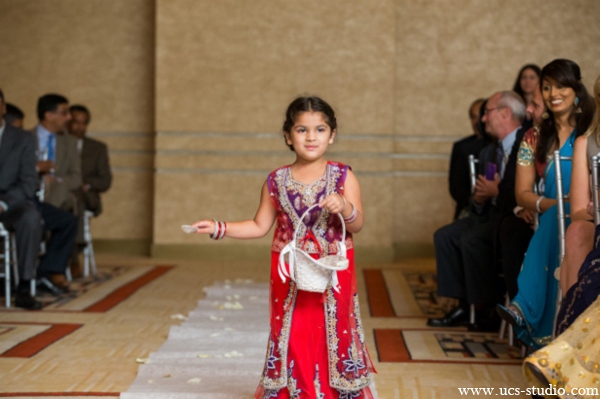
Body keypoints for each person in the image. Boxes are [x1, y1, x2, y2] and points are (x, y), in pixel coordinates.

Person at [191, 96, 376, 398]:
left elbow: (356, 225)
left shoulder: (344, 176)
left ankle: (334, 391)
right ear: (288, 137)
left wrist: (344, 206)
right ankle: (296, 391)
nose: (311, 137)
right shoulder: (276, 180)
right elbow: (259, 226)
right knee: (294, 331)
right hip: (289, 271)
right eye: (301, 130)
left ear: (332, 135)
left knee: (332, 327)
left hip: (332, 271)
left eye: (320, 129)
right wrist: (218, 227)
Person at [497, 59, 595, 350]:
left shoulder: (591, 129)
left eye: (560, 85)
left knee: (565, 216)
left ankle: (524, 306)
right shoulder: (534, 137)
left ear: (576, 88)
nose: (553, 93)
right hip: (555, 214)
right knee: (559, 212)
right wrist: (557, 202)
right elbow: (522, 194)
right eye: (547, 87)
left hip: (590, 214)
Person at [428, 91, 528, 329]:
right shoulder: (489, 151)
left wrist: (496, 192)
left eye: (487, 113)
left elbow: (521, 191)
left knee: (472, 240)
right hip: (489, 215)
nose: (483, 120)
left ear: (505, 113)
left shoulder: (526, 143)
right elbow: (480, 197)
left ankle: (486, 309)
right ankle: (464, 304)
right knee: (445, 235)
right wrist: (480, 199)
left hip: (513, 216)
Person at [554, 75, 600, 335]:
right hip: (598, 230)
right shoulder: (588, 143)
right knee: (577, 231)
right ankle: (568, 349)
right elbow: (579, 210)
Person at [31, 94, 79, 293]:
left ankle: (51, 270)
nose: (68, 118)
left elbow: (76, 177)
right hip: (30, 195)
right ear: (49, 115)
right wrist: (37, 171)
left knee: (65, 215)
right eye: (64, 113)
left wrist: (55, 181)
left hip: (58, 194)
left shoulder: (69, 142)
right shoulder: (25, 138)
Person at [0, 89, 43, 310]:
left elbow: (28, 183)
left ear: (3, 107)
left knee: (31, 217)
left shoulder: (23, 139)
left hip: (11, 204)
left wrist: (3, 203)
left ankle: (24, 287)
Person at [67, 105, 112, 276]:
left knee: (76, 196)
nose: (80, 127)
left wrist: (86, 183)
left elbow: (106, 181)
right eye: (76, 123)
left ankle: (73, 255)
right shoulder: (58, 143)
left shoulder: (97, 148)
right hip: (62, 196)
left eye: (84, 123)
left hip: (87, 198)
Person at [448, 98, 489, 220]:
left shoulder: (497, 145)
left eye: (480, 115)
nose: (477, 122)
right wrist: (475, 201)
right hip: (468, 210)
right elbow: (456, 187)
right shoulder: (461, 147)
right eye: (473, 117)